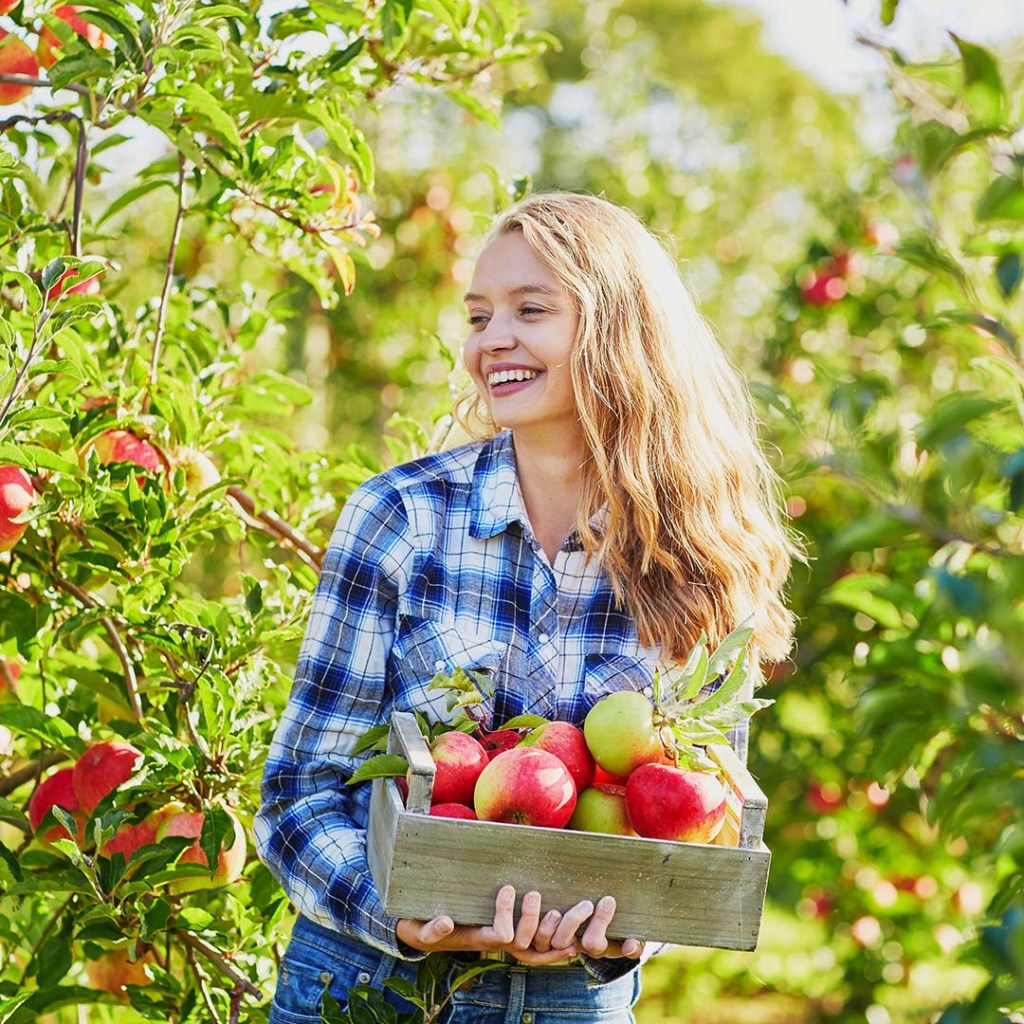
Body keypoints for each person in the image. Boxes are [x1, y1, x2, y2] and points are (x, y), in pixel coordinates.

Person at [254, 191, 797, 1024]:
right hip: (370, 986)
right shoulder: (403, 519)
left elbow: (700, 826)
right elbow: (298, 790)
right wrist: (399, 911)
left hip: (569, 1001)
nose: (489, 341)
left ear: (620, 329)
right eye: (478, 316)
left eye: (529, 309)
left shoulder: (699, 557)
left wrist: (623, 931)